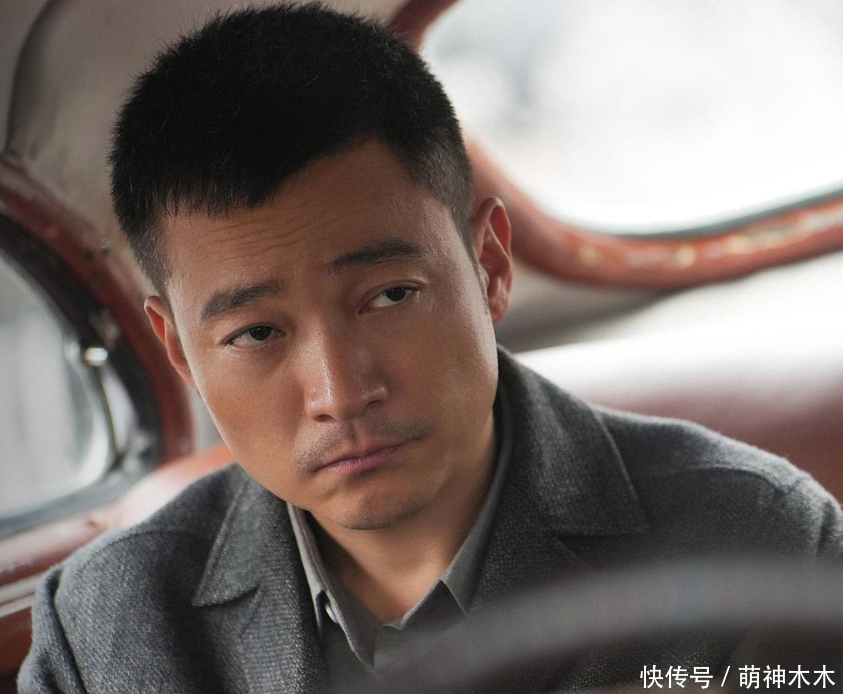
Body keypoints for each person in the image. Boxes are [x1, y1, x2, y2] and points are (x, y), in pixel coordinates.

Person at [19, 3, 843, 692]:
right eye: (257, 333)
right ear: (180, 352)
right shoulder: (106, 623)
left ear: (489, 267)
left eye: (388, 297)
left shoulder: (757, 540)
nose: (340, 392)